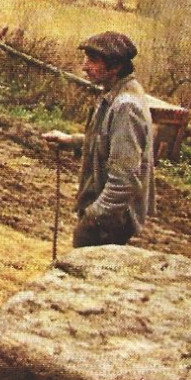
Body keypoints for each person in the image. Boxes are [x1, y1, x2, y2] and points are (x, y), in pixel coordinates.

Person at [43, 31, 155, 248]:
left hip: (112, 218)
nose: (84, 66)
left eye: (93, 60)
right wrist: (71, 141)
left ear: (115, 67)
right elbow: (108, 142)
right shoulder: (115, 92)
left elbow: (124, 180)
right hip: (108, 212)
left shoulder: (126, 106)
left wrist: (94, 216)